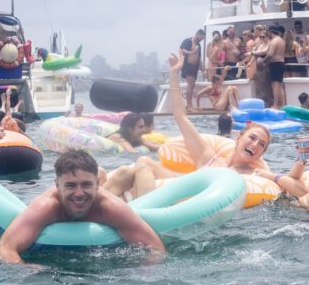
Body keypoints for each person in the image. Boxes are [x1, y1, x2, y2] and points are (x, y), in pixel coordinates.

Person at [103, 52, 272, 200]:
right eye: (252, 137)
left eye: (262, 145)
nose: (255, 145)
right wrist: (174, 73)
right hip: (182, 189)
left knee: (141, 163)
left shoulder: (253, 175)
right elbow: (179, 114)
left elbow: (285, 184)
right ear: (239, 137)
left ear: (260, 155)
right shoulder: (208, 157)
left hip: (195, 205)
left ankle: (138, 221)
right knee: (133, 167)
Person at [0, 149, 165, 264]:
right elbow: (5, 250)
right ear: (57, 185)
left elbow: (156, 249)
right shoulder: (46, 206)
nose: (79, 193)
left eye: (86, 184)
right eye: (70, 185)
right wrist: (29, 273)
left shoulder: (111, 208)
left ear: (97, 184)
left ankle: (114, 177)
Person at [257, 25, 286, 109]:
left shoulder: (274, 41)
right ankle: (283, 105)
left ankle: (276, 105)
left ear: (271, 32)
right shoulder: (281, 40)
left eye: (268, 32)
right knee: (279, 85)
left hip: (275, 64)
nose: (267, 33)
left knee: (275, 85)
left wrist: (263, 61)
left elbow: (270, 54)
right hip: (281, 63)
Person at [179, 29, 205, 111]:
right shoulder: (187, 41)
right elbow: (182, 49)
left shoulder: (199, 45)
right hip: (188, 66)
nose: (201, 40)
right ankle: (189, 106)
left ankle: (190, 105)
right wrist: (192, 52)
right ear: (197, 34)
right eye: (201, 38)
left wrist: (203, 70)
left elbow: (199, 58)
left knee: (192, 85)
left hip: (195, 68)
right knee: (190, 85)